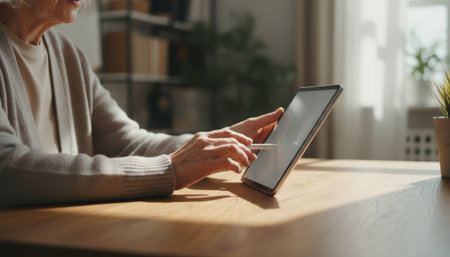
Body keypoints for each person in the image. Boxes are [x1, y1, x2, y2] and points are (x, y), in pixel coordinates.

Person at [0, 0, 284, 206]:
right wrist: (166, 170)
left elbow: (126, 141)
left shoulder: (67, 55)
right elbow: (8, 170)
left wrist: (218, 142)